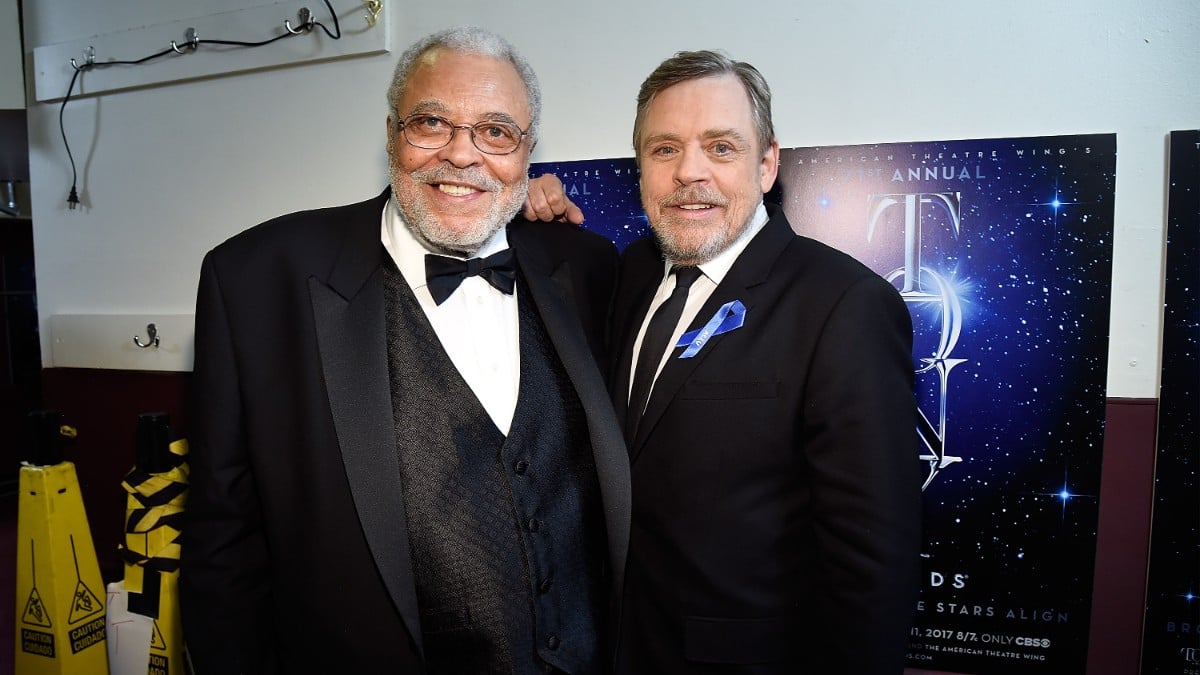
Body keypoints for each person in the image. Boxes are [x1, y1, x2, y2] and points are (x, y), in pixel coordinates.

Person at [180, 27, 629, 674]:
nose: (463, 155)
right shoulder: (256, 279)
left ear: (527, 152)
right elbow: (220, 548)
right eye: (432, 122)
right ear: (391, 133)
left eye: (496, 132)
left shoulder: (586, 266)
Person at [609, 50, 922, 673]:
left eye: (721, 147)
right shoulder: (625, 278)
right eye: (664, 149)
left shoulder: (845, 306)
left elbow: (872, 571)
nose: (688, 172)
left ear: (767, 162)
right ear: (640, 164)